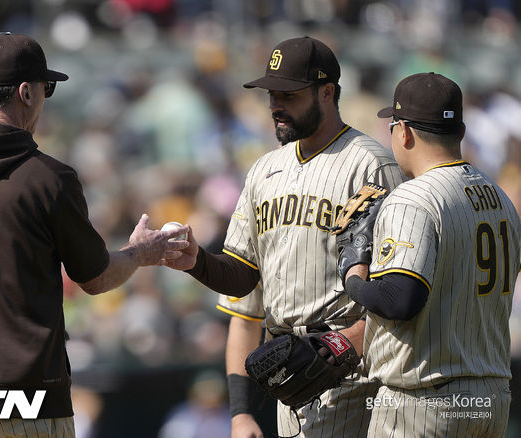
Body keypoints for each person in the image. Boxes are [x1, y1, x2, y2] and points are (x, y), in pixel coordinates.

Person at [0, 33, 187, 438]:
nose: (45, 98)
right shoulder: (49, 179)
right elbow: (94, 278)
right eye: (46, 88)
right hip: (28, 395)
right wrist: (140, 253)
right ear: (25, 92)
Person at [163, 36, 406, 438]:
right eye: (272, 94)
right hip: (285, 379)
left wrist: (345, 346)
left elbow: (397, 291)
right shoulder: (263, 170)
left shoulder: (372, 166)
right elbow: (242, 285)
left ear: (327, 92)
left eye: (289, 94)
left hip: (354, 377)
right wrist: (196, 261)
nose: (276, 104)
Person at [340, 72, 520, 437]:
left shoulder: (413, 198)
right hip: (493, 397)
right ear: (461, 132)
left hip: (426, 403)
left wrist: (354, 275)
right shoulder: (501, 198)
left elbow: (400, 300)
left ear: (403, 131)